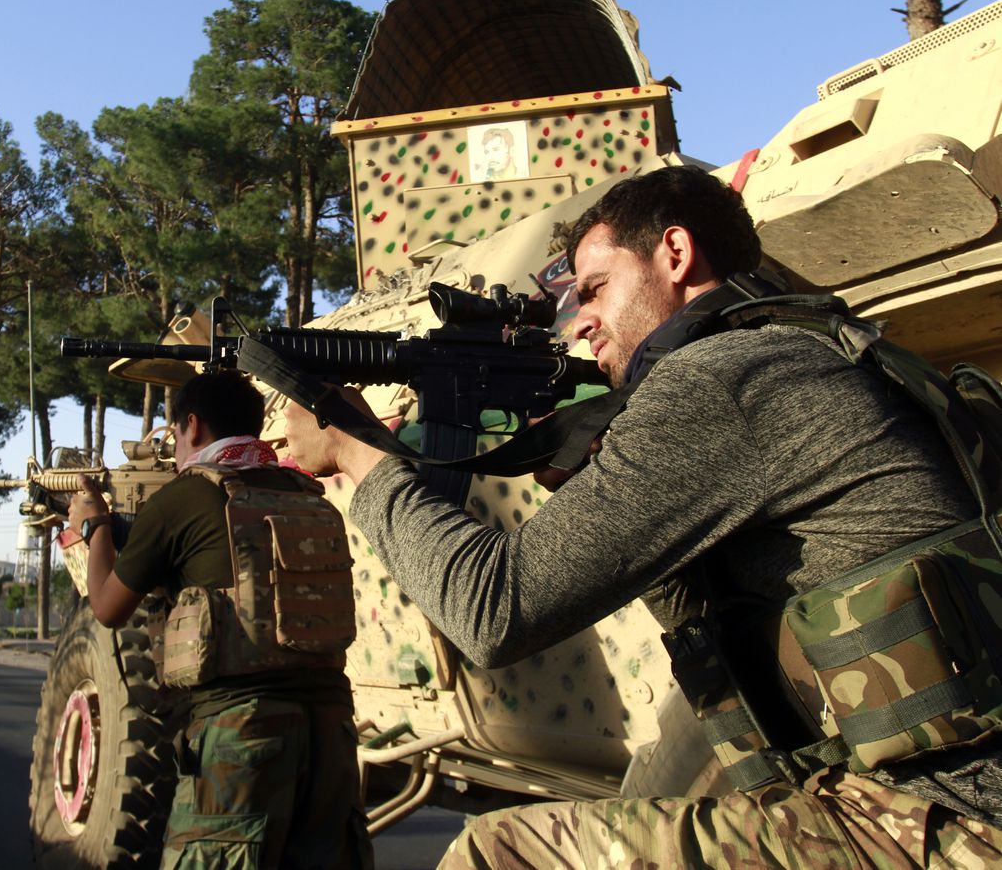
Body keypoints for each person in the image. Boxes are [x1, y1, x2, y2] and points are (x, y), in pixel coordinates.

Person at [283, 164, 1002, 868]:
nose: (581, 319)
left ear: (676, 254)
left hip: (947, 821)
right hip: (934, 792)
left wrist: (354, 449)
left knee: (498, 850)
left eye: (596, 287)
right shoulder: (812, 347)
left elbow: (491, 612)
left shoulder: (722, 379)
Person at [71, 369, 372, 870]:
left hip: (241, 735)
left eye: (175, 436)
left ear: (192, 425)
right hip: (332, 733)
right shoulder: (302, 491)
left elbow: (107, 607)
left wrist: (96, 523)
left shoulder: (184, 498)